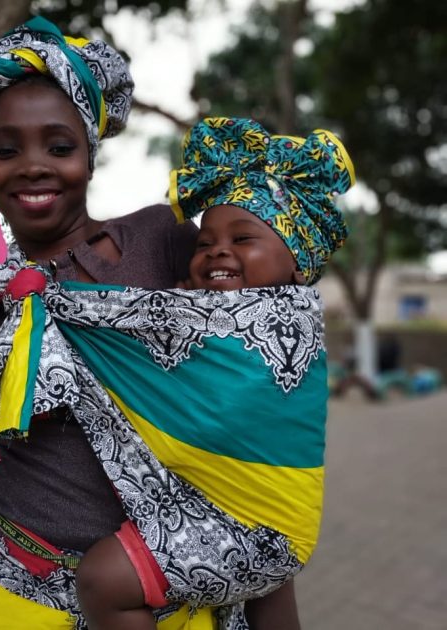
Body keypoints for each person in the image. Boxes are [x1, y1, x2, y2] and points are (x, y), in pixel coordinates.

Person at [0, 19, 299, 630]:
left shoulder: (165, 245)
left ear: (90, 154)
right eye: (5, 149)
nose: (33, 167)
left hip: (172, 602)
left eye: (59, 146)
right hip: (17, 601)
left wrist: (270, 590)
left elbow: (256, 401)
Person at [71, 116, 354, 629]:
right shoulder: (200, 310)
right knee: (269, 602)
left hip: (264, 520)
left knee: (103, 581)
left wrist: (57, 306)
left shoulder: (289, 321)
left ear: (298, 265)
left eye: (243, 238)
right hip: (250, 518)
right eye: (205, 244)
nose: (218, 249)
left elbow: (219, 406)